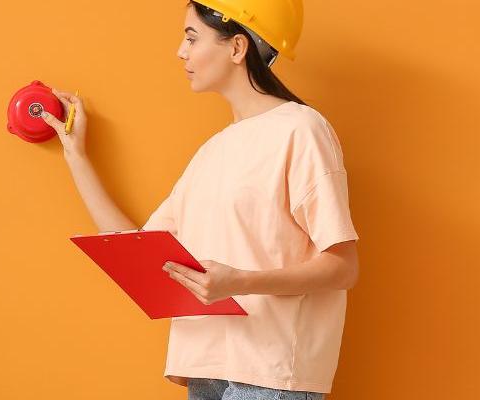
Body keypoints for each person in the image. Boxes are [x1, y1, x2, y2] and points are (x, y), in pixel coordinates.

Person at [40, 1, 359, 398]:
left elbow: (343, 266)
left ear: (237, 48)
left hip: (269, 373)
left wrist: (240, 282)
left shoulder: (300, 129)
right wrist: (76, 155)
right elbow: (135, 246)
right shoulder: (212, 151)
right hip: (205, 368)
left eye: (192, 37)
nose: (181, 51)